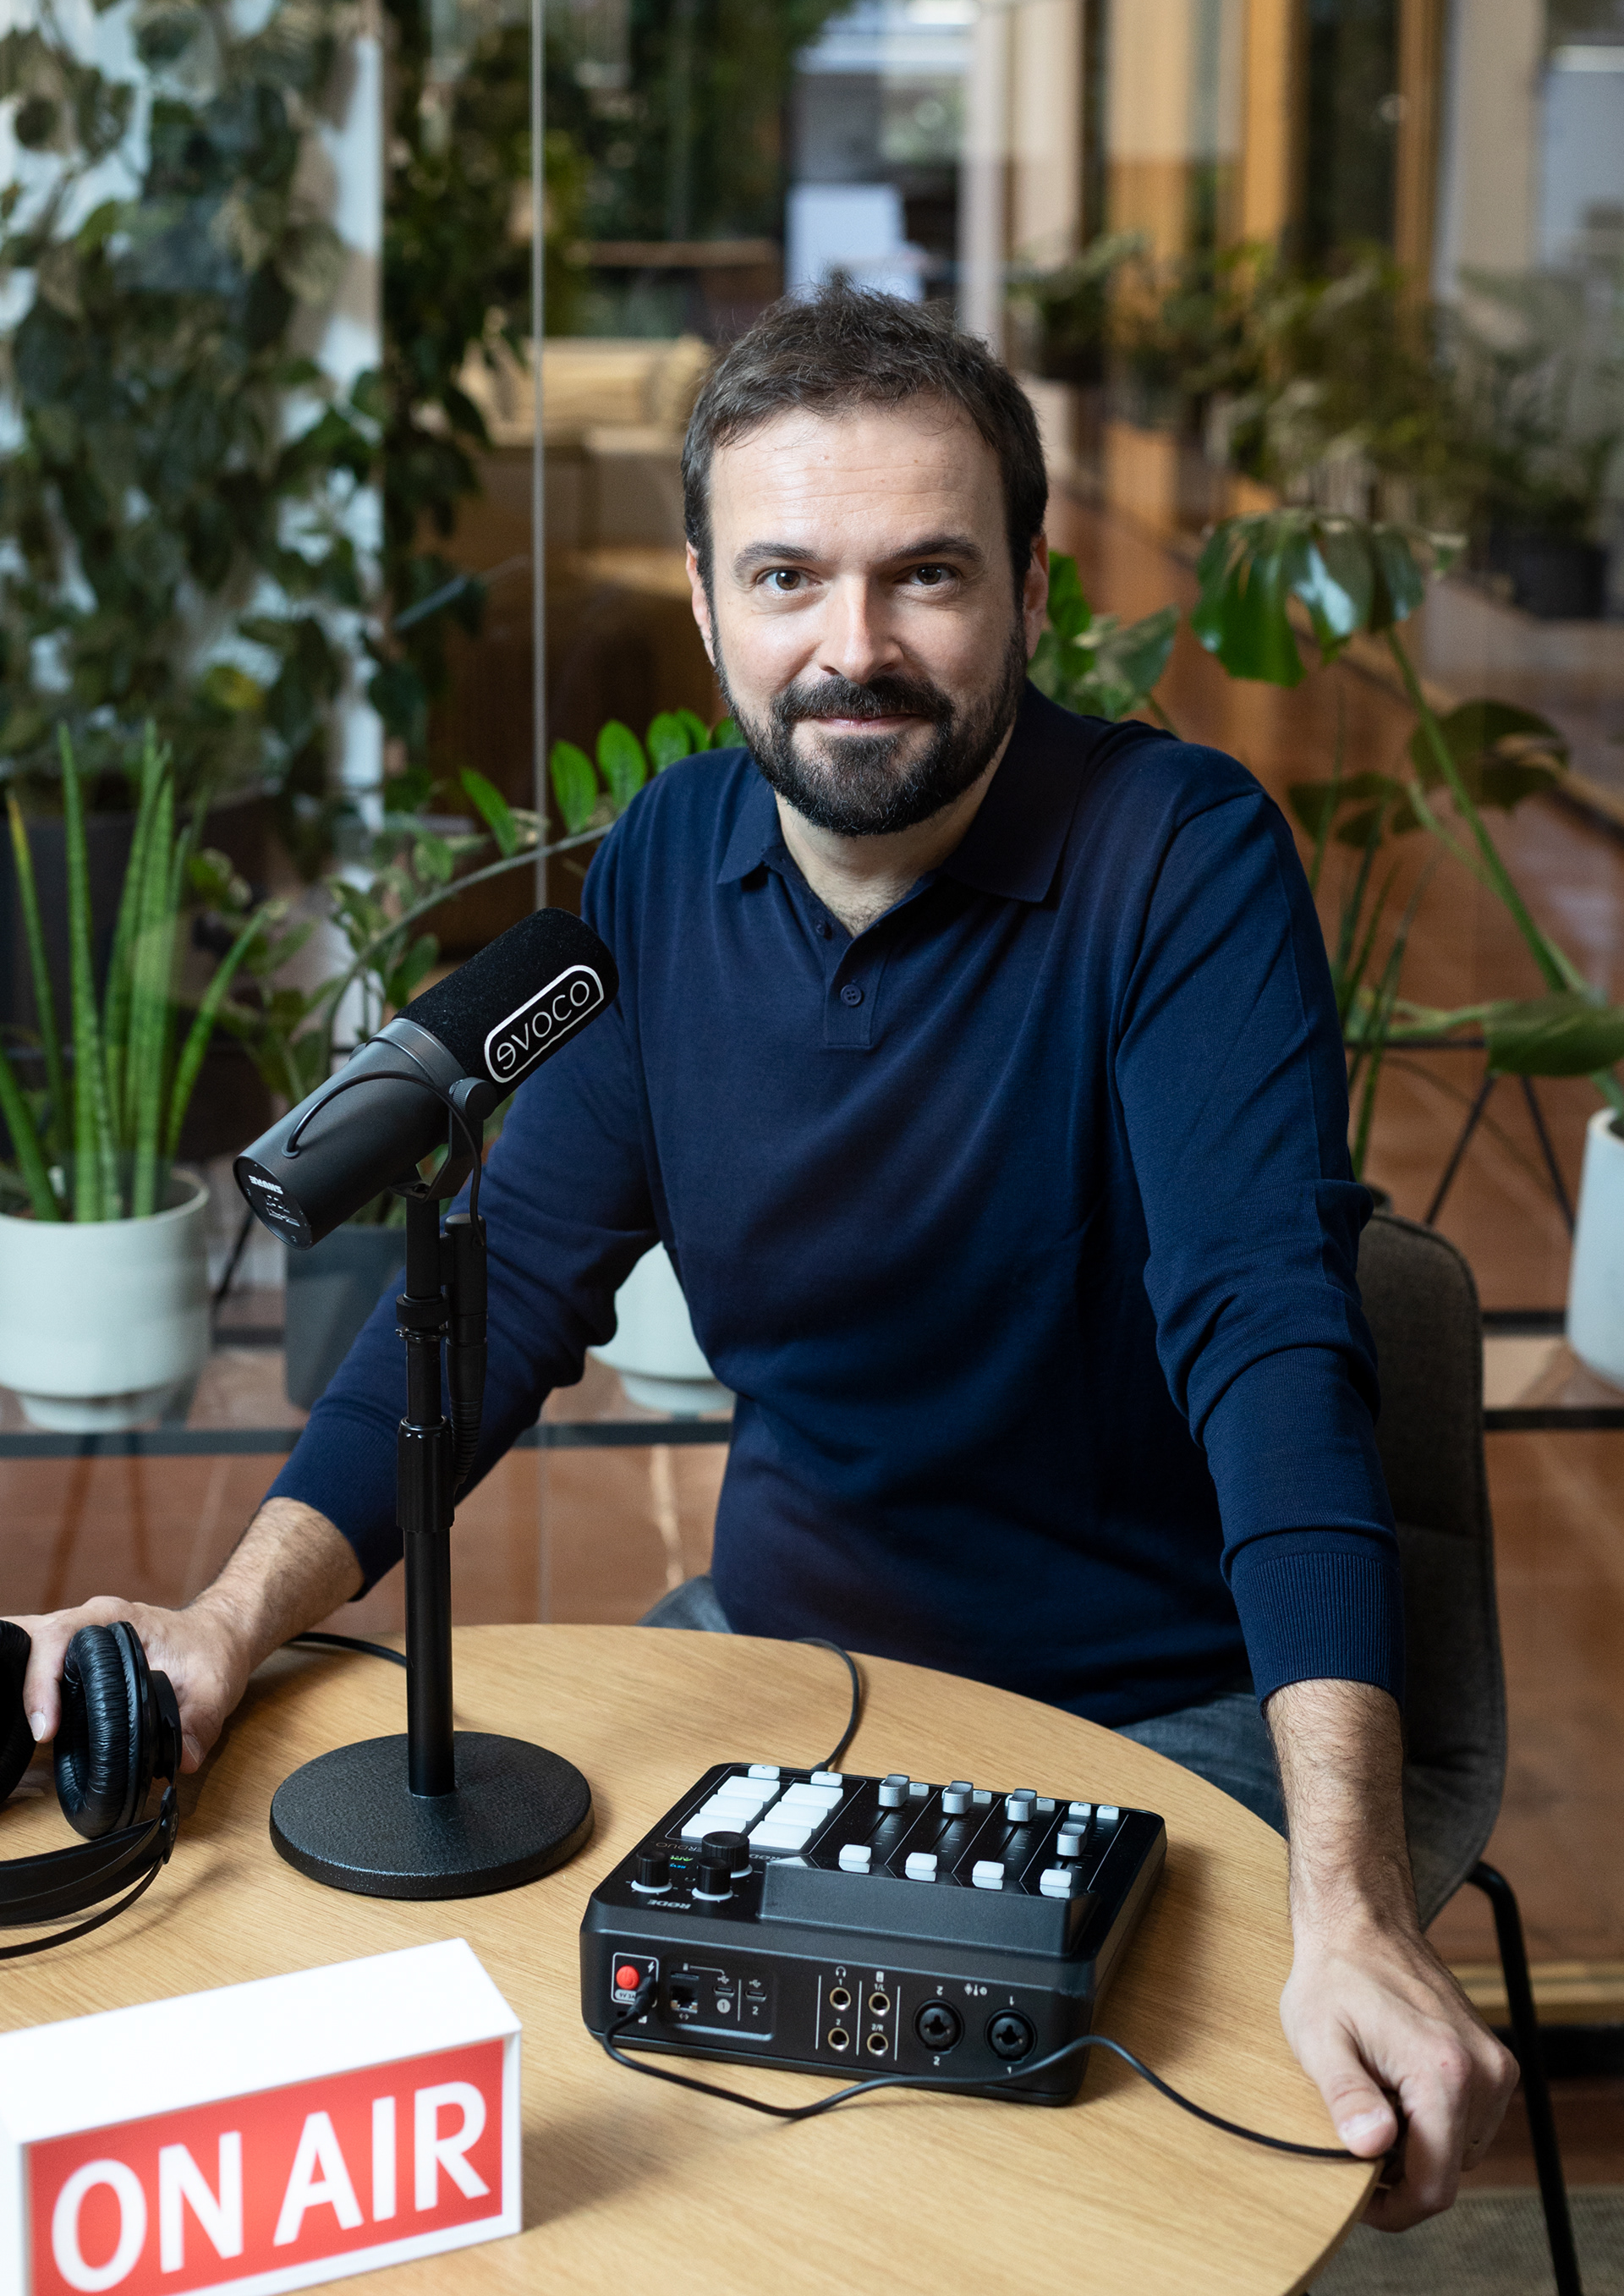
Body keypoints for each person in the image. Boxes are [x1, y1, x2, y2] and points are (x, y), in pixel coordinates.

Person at [7, 287, 1513, 2222]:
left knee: (990, 2208)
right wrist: (225, 1622)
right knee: (544, 2115)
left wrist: (1354, 1900)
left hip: (1148, 1706)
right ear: (710, 610)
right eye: (789, 576)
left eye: (926, 575)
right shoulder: (666, 859)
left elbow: (1270, 1344)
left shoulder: (1177, 856)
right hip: (781, 1664)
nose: (852, 648)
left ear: (1030, 593)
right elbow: (503, 1288)